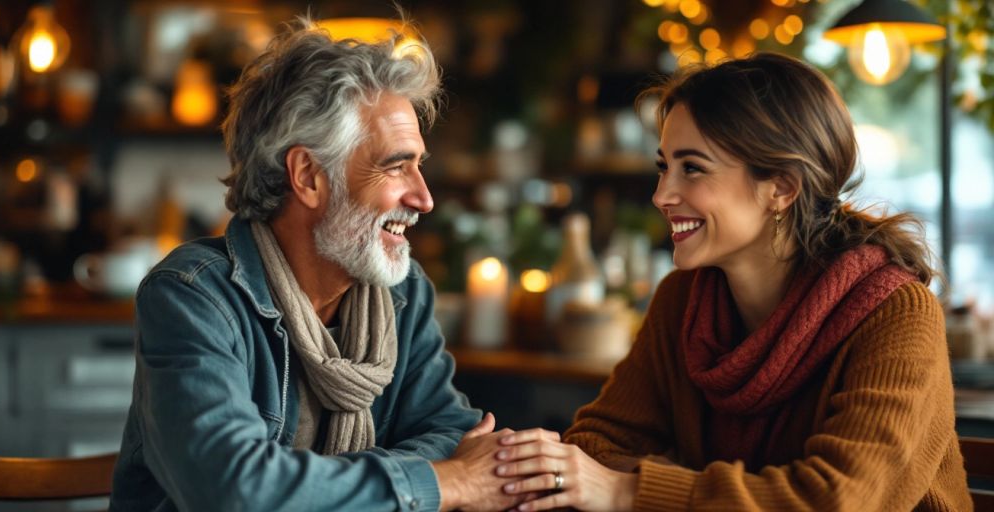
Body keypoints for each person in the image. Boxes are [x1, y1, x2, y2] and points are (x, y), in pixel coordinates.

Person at [493, 53, 971, 510]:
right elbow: (596, 447)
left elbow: (838, 500)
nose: (662, 195)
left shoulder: (894, 314)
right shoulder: (682, 301)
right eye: (664, 166)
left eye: (693, 168)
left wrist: (628, 491)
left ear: (782, 187)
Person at [110, 17, 530, 512]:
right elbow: (234, 490)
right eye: (395, 166)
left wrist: (313, 486)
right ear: (308, 176)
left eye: (420, 165)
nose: (424, 198)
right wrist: (445, 483)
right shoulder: (193, 296)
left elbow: (454, 434)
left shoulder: (403, 292)